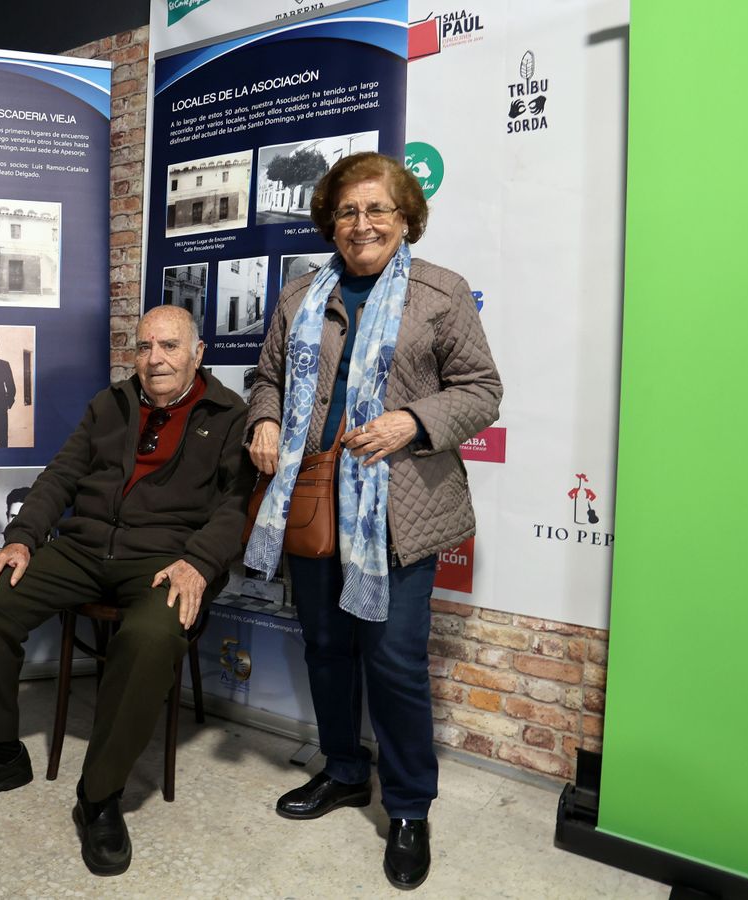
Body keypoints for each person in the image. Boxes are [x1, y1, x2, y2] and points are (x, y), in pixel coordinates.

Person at [245, 152, 502, 891]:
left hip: (401, 508)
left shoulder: (440, 292)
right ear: (331, 219)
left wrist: (412, 422)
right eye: (348, 211)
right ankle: (346, 771)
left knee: (392, 660)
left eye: (378, 210)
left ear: (405, 217)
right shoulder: (300, 292)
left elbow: (482, 391)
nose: (362, 224)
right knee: (325, 647)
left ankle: (411, 806)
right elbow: (268, 377)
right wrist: (265, 420)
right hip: (317, 500)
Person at [0, 306, 252, 877]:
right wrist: (22, 538)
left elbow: (236, 506)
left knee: (153, 634)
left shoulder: (228, 415)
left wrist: (199, 564)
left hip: (163, 558)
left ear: (198, 353)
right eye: (146, 346)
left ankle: (99, 796)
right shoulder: (111, 404)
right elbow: (60, 475)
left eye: (170, 346)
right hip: (83, 549)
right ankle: (2, 752)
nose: (156, 359)